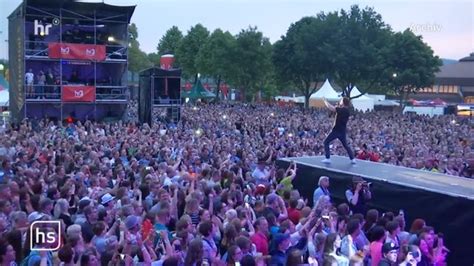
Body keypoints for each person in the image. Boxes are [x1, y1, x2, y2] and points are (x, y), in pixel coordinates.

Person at [321, 97, 356, 164]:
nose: (340, 101)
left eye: (341, 101)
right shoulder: (347, 111)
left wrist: (325, 101)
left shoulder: (341, 110)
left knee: (326, 142)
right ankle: (352, 159)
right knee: (345, 145)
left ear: (343, 102)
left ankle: (327, 158)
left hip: (336, 130)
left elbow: (331, 108)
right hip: (342, 131)